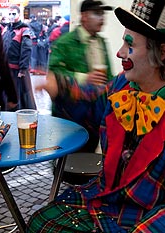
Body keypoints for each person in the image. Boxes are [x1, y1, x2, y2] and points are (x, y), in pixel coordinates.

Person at [27, 0, 165, 232]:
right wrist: (61, 86)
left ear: (162, 52)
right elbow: (95, 101)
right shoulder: (124, 85)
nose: (119, 52)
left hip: (147, 217)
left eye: (129, 44)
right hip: (107, 198)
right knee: (39, 223)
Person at [48, 0, 114, 152]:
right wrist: (85, 77)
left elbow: (108, 76)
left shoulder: (102, 42)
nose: (102, 18)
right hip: (70, 116)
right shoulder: (65, 42)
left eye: (103, 14)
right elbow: (53, 74)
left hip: (95, 115)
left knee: (89, 157)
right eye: (97, 13)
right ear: (84, 16)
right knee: (67, 158)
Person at [2, 5, 36, 110]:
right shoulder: (7, 28)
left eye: (14, 14)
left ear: (19, 14)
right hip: (7, 68)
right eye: (10, 14)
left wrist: (23, 68)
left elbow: (26, 49)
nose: (11, 16)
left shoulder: (24, 29)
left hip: (18, 70)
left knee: (20, 96)